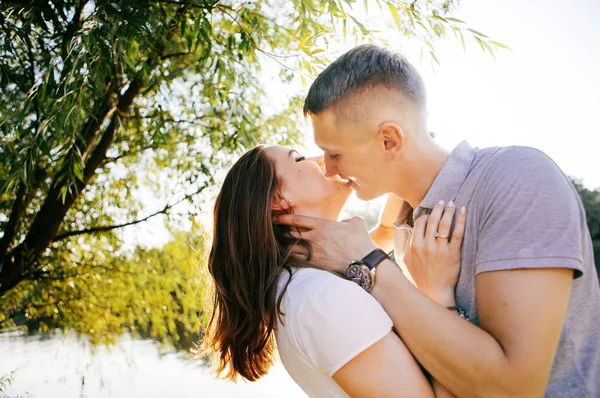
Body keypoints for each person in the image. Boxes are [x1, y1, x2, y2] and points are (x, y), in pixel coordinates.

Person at [275, 44, 600, 397]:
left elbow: (513, 390)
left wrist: (371, 264)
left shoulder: (517, 179)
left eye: (335, 153)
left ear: (389, 140)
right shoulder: (406, 231)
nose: (329, 168)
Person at [201, 144, 466, 397]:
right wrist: (438, 294)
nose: (323, 158)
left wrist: (401, 161)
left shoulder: (317, 275)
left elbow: (385, 231)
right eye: (298, 158)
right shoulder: (322, 299)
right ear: (279, 198)